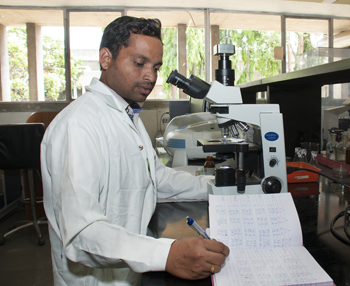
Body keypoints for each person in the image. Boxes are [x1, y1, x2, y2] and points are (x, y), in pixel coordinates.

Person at [41, 16, 229, 286]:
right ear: (106, 58)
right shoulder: (78, 125)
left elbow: (156, 180)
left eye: (155, 67)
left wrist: (215, 186)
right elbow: (82, 234)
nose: (150, 76)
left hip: (128, 272)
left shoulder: (127, 116)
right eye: (139, 63)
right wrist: (168, 254)